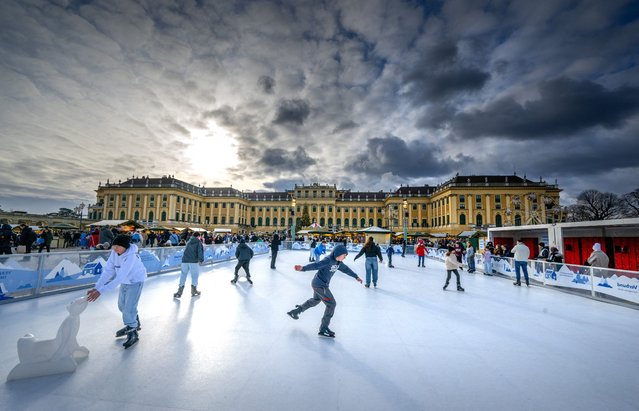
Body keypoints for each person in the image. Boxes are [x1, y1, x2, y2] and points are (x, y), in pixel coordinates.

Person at [286, 245, 363, 338]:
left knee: (315, 301)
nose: (345, 257)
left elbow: (346, 270)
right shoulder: (328, 260)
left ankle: (296, 311)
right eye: (344, 255)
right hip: (319, 285)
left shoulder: (338, 262)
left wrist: (356, 277)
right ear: (338, 253)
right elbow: (316, 265)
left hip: (321, 285)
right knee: (331, 304)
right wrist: (303, 268)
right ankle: (323, 328)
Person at [86, 234, 147, 349]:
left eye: (117, 246)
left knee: (128, 309)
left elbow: (119, 277)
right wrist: (97, 287)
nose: (114, 249)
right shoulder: (115, 253)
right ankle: (134, 322)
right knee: (122, 306)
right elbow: (108, 271)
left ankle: (133, 332)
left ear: (125, 247)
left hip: (135, 281)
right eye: (114, 246)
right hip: (125, 281)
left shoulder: (131, 256)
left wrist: (101, 292)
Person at [174, 232, 204, 298]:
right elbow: (200, 251)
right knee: (194, 275)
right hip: (193, 261)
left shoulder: (188, 241)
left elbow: (185, 251)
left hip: (185, 261)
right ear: (198, 236)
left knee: (183, 275)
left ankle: (179, 291)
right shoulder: (198, 242)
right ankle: (194, 290)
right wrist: (201, 259)